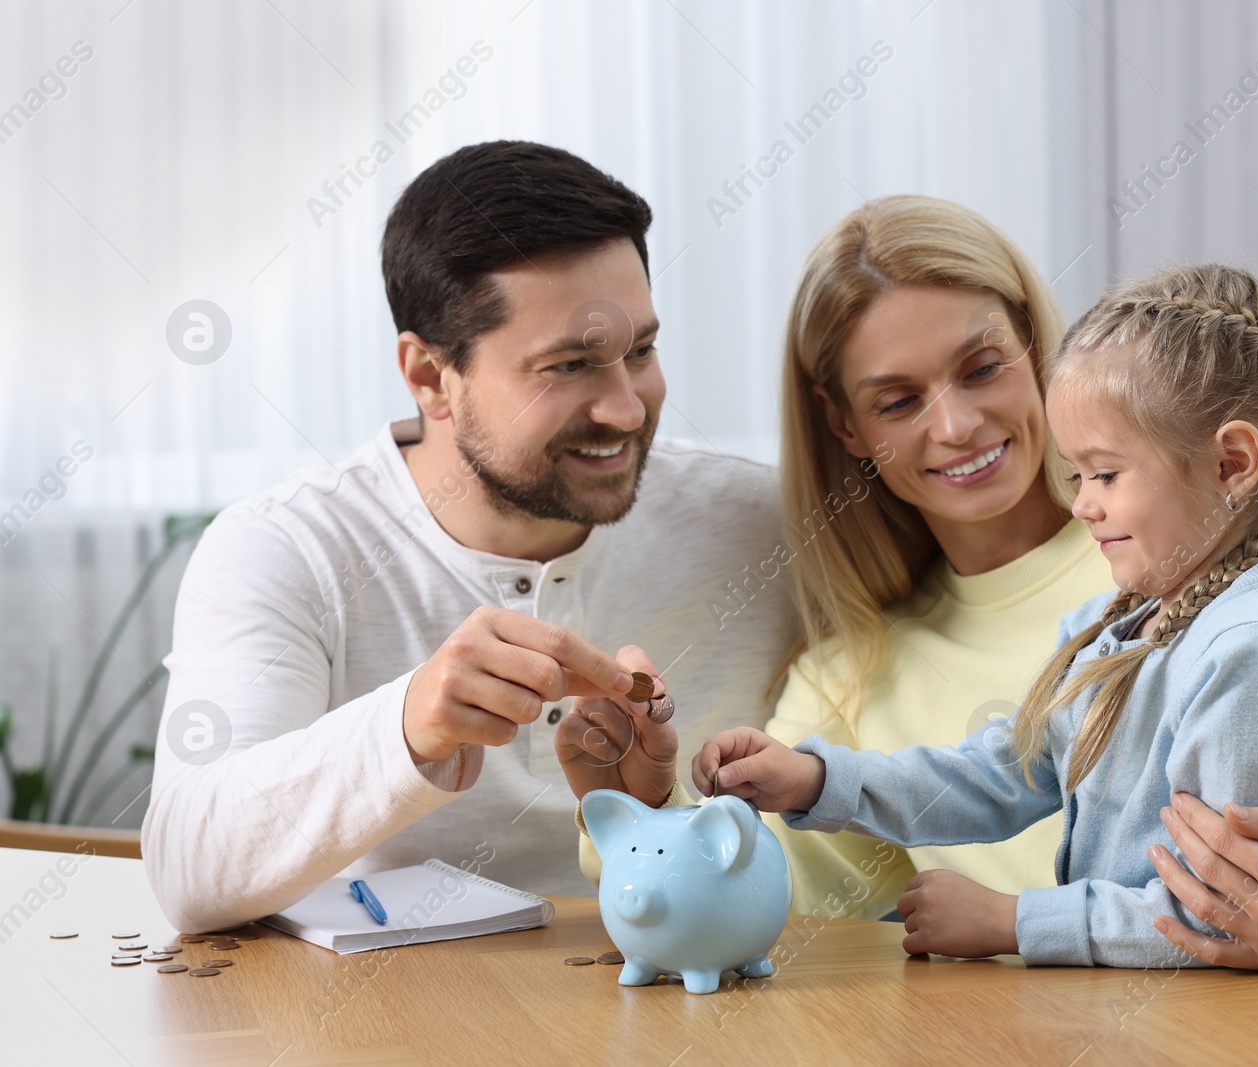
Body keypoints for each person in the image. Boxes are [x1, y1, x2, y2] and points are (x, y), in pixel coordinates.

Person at [563, 196, 1258, 970]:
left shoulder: (1228, 574)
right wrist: (643, 804)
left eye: (983, 367)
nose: (958, 424)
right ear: (846, 428)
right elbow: (742, 912)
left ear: (1037, 353)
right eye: (897, 400)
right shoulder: (864, 673)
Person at [141, 141, 797, 933]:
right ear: (428, 376)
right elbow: (187, 867)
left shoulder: (767, 521)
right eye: (568, 366)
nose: (626, 408)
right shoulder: (286, 549)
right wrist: (407, 723)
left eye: (642, 351)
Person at [693, 262, 1258, 965]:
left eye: (1105, 473)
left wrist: (1014, 921)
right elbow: (1007, 770)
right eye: (1076, 475)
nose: (1083, 504)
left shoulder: (1248, 654)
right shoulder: (1116, 625)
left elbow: (1225, 916)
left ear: (1232, 465)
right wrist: (820, 780)